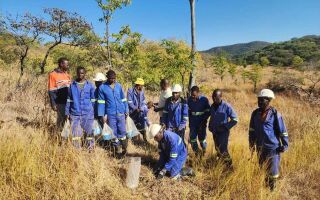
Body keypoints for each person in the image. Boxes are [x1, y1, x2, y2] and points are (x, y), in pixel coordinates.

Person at [249, 89, 289, 190]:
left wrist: (285, 145)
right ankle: (265, 188)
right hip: (259, 147)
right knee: (262, 168)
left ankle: (272, 191)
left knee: (273, 171)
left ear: (269, 100)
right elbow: (251, 130)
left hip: (272, 148)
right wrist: (251, 143)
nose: (259, 102)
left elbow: (283, 131)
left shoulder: (275, 114)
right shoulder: (255, 113)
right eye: (259, 99)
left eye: (262, 100)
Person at [97, 70, 129, 157]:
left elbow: (123, 99)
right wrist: (102, 115)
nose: (113, 80)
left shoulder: (118, 86)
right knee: (113, 132)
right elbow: (101, 102)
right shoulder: (102, 88)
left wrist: (126, 109)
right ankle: (117, 150)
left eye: (114, 78)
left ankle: (124, 148)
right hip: (110, 114)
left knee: (122, 131)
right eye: (111, 78)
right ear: (107, 78)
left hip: (121, 112)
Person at [65, 67, 96, 149]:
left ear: (85, 74)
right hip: (75, 113)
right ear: (76, 73)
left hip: (88, 113)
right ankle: (77, 150)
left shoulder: (90, 86)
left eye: (82, 73)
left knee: (89, 132)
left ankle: (90, 148)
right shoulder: (72, 86)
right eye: (78, 73)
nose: (80, 75)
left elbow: (93, 100)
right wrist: (67, 113)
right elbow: (69, 100)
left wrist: (93, 111)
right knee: (76, 134)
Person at [209, 89, 238, 168]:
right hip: (215, 132)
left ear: (221, 97)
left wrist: (225, 127)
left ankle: (229, 166)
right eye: (213, 97)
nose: (215, 99)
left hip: (223, 133)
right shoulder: (212, 106)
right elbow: (212, 117)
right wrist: (210, 126)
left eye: (217, 98)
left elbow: (235, 119)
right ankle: (221, 165)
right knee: (217, 148)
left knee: (223, 150)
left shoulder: (226, 106)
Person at [48, 57, 71, 132]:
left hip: (68, 101)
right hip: (60, 102)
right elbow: (51, 90)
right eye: (66, 64)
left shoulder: (67, 74)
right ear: (61, 64)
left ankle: (65, 138)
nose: (68, 66)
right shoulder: (53, 74)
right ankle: (57, 138)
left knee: (68, 120)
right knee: (61, 121)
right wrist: (53, 104)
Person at [187, 86, 211, 155]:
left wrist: (204, 121)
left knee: (202, 140)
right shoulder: (189, 100)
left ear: (198, 93)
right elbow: (188, 111)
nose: (193, 97)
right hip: (193, 124)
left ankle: (204, 152)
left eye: (194, 95)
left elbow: (208, 111)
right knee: (192, 139)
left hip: (202, 124)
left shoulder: (204, 100)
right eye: (192, 95)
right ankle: (197, 153)